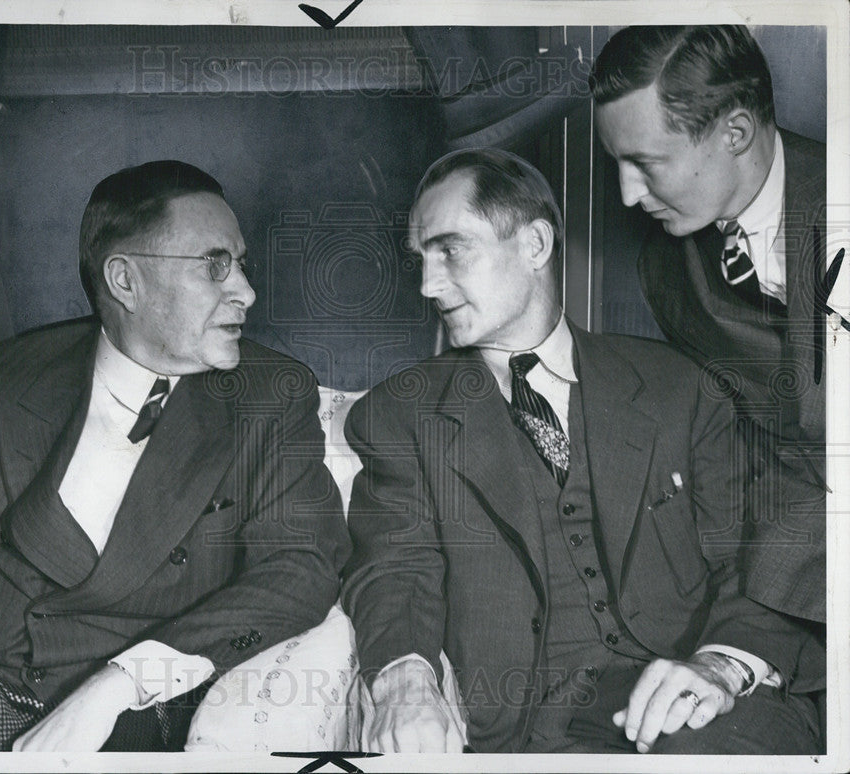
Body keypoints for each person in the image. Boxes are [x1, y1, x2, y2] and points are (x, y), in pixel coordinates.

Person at [341, 148, 820, 754]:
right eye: (421, 259)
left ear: (535, 245)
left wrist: (719, 668)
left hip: (706, 712)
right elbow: (393, 567)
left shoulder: (680, 386)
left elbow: (761, 553)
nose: (428, 284)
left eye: (451, 250)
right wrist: (403, 679)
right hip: (526, 735)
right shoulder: (402, 412)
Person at [0, 160, 350, 752]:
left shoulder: (271, 396)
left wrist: (123, 682)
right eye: (215, 265)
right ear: (125, 281)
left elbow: (299, 570)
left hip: (137, 726)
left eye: (242, 263)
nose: (247, 292)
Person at [590, 25, 828, 626]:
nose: (626, 195)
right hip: (789, 564)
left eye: (645, 163)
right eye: (618, 165)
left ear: (736, 133)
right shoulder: (667, 266)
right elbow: (741, 448)